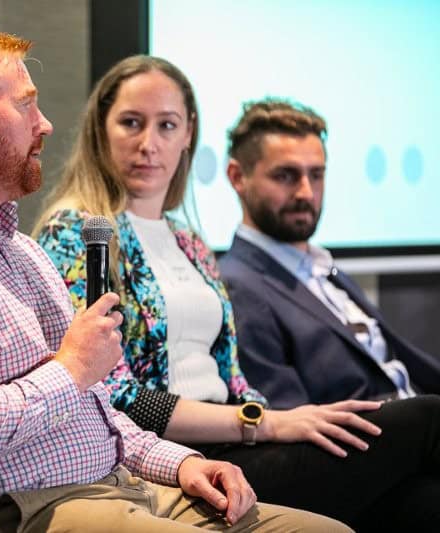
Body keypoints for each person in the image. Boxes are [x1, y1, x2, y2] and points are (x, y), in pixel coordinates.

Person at [0, 31, 340, 532]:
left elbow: (95, 411)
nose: (45, 123)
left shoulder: (20, 251)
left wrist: (181, 463)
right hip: (13, 510)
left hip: (117, 485)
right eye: (25, 105)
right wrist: (73, 367)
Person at [34, 54, 440, 531]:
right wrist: (264, 423)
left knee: (422, 501)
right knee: (427, 418)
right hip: (175, 458)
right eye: (131, 123)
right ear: (100, 130)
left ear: (188, 134)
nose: (149, 144)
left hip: (242, 439)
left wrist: (280, 420)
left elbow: (233, 379)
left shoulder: (189, 241)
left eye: (167, 125)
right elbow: (109, 393)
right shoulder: (80, 232)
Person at [219, 98, 440, 408]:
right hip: (386, 434)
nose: (306, 192)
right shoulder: (237, 286)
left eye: (316, 175)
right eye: (285, 176)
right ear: (237, 177)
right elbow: (287, 423)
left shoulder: (322, 268)